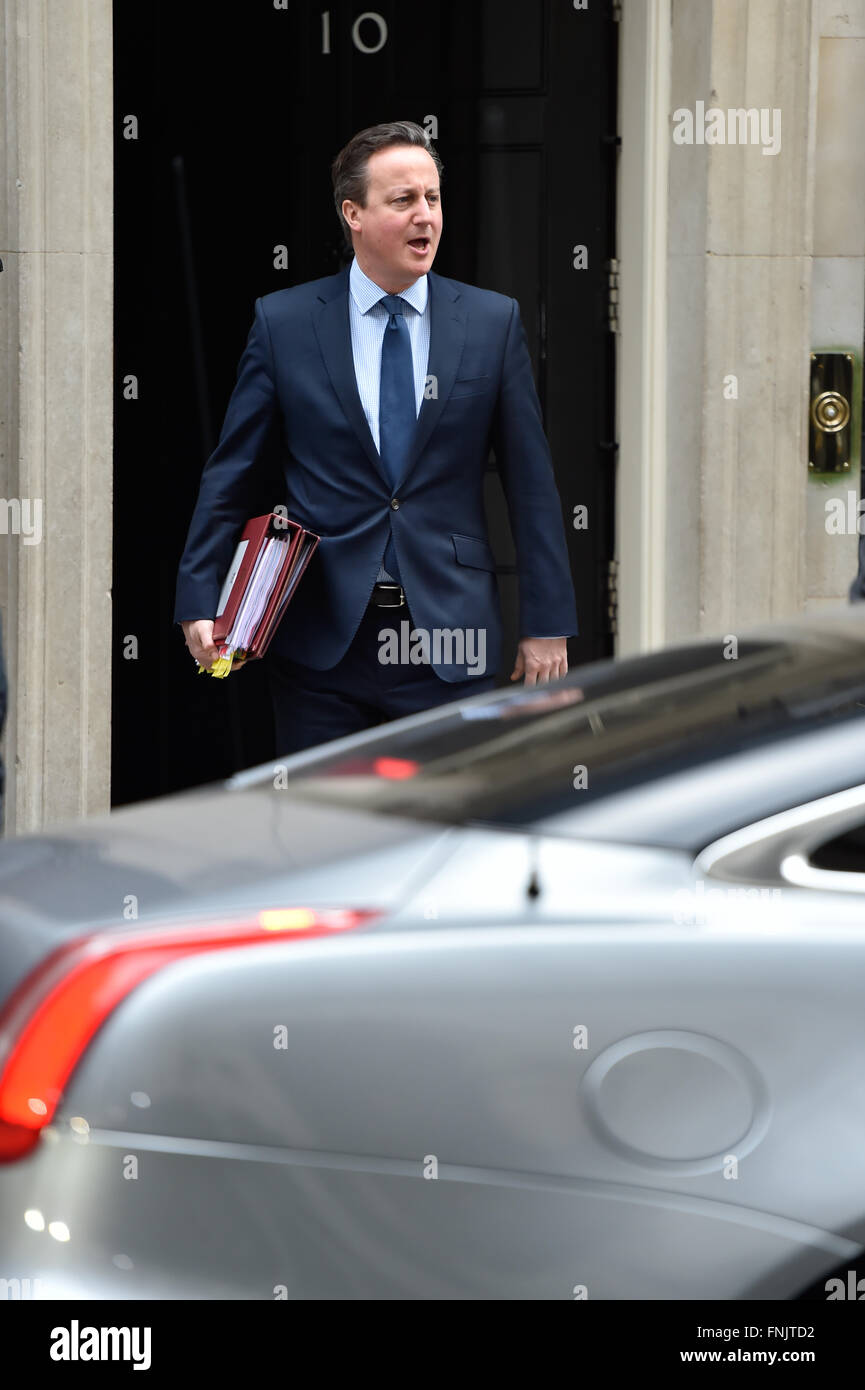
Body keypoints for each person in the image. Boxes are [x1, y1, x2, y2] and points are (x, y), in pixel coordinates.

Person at [174, 121, 577, 755]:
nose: (427, 216)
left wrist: (547, 623)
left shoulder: (492, 322)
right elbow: (232, 472)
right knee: (325, 834)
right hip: (319, 641)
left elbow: (531, 484)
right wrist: (201, 597)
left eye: (434, 198)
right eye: (404, 201)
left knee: (447, 833)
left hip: (449, 640)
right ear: (353, 214)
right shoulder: (284, 323)